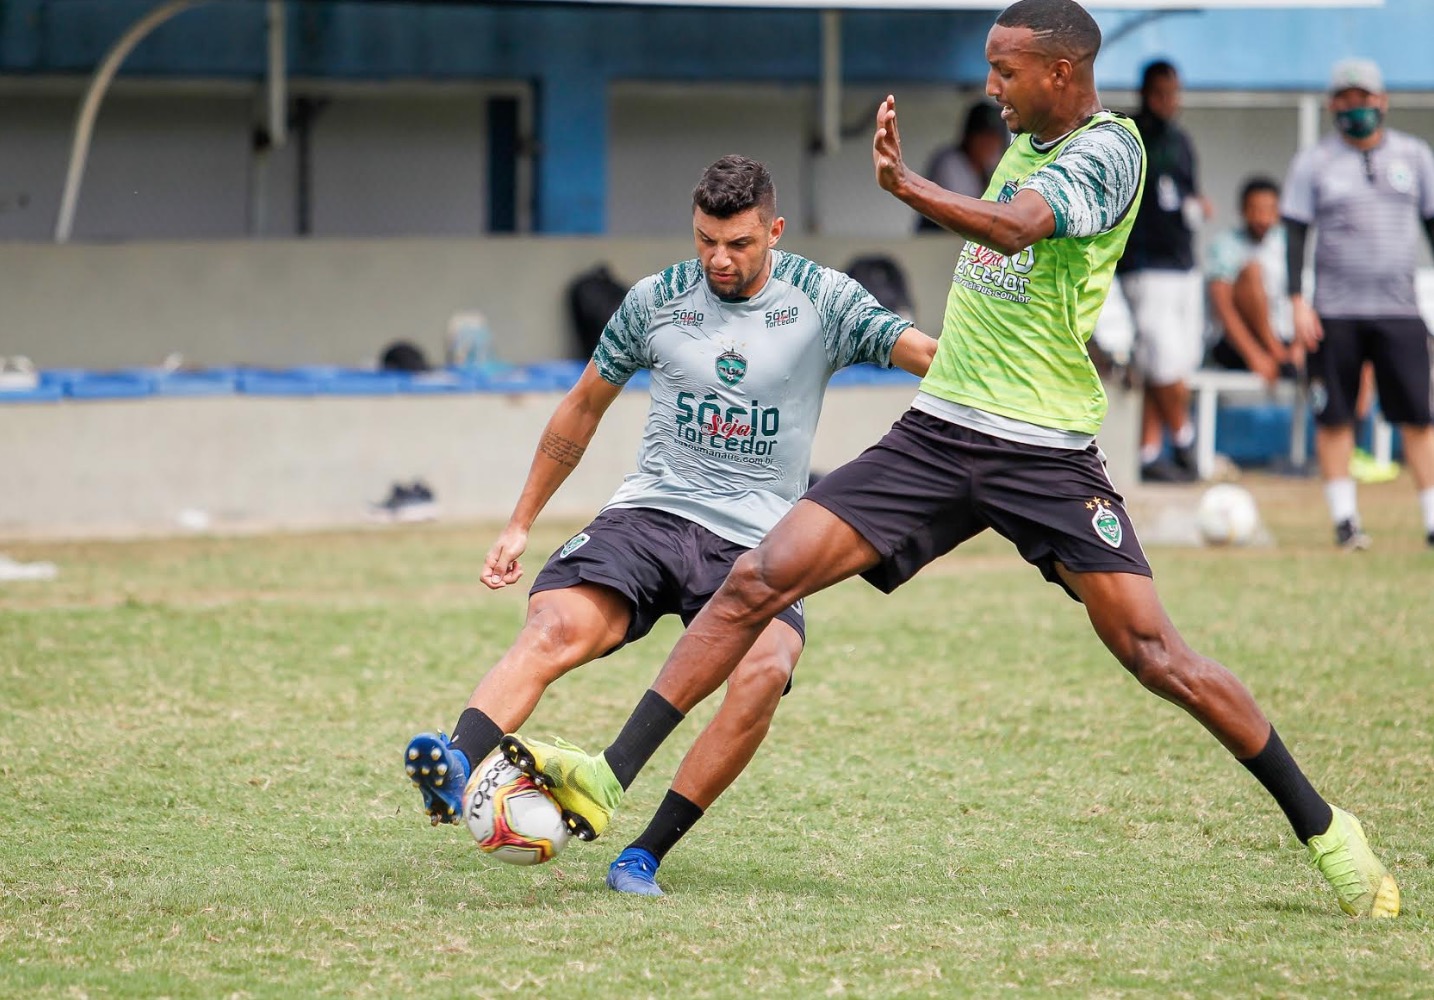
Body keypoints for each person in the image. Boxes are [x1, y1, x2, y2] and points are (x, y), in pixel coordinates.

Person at [502, 0, 1400, 920]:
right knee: (756, 579)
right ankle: (611, 782)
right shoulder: (1025, 137)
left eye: (1006, 71)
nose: (991, 87)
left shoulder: (1111, 151)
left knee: (1155, 653)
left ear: (1060, 71)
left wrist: (905, 187)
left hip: (1041, 449)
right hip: (938, 434)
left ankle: (1329, 829)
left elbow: (1014, 228)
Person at [403, 154, 937, 896]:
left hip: (760, 536)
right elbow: (582, 406)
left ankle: (644, 853)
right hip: (652, 512)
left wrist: (1016, 394)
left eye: (739, 243)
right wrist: (521, 521)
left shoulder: (823, 298)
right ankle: (457, 761)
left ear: (775, 230)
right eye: (705, 241)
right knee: (555, 625)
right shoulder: (656, 300)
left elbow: (930, 358)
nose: (720, 259)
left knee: (765, 672)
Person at [1281, 57, 1434, 550]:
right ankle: (1346, 521)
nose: (1355, 107)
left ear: (1381, 101)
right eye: (1345, 100)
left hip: (1400, 309)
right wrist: (1298, 301)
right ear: (1332, 106)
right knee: (1336, 416)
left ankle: (1432, 518)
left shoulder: (1414, 156)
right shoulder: (1315, 162)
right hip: (1335, 311)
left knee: (1418, 415)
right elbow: (1295, 234)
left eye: (1363, 98)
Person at [1117, 60, 1208, 482]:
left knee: (1174, 364)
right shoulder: (1132, 137)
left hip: (1183, 264)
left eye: (1174, 92)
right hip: (1145, 266)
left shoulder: (1181, 140)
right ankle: (1186, 439)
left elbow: (1185, 195)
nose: (1169, 101)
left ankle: (1150, 451)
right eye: (1161, 93)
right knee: (1162, 361)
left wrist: (1198, 206)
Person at [1206, 177, 1299, 384]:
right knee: (1252, 272)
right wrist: (1254, 354)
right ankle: (1276, 352)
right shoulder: (1225, 245)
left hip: (1285, 341)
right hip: (1239, 345)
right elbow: (1222, 306)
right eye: (1256, 210)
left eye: (1269, 210)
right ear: (1243, 210)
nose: (1263, 218)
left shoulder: (1287, 243)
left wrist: (1298, 347)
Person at [914, 99, 1009, 232]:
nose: (990, 144)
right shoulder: (950, 162)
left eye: (994, 137)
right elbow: (961, 214)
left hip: (962, 239)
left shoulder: (990, 168)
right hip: (934, 238)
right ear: (969, 137)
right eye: (983, 136)